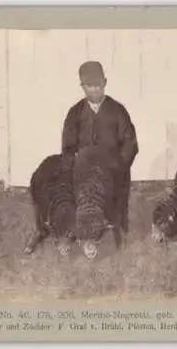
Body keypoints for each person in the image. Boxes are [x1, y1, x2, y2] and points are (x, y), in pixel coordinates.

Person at [61, 60, 139, 233]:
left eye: (98, 85)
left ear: (105, 83)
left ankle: (119, 238)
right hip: (84, 178)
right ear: (82, 86)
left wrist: (118, 167)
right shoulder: (75, 113)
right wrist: (74, 168)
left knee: (116, 212)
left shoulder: (118, 111)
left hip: (114, 173)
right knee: (85, 210)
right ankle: (86, 236)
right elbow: (67, 148)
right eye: (90, 86)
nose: (94, 90)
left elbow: (130, 143)